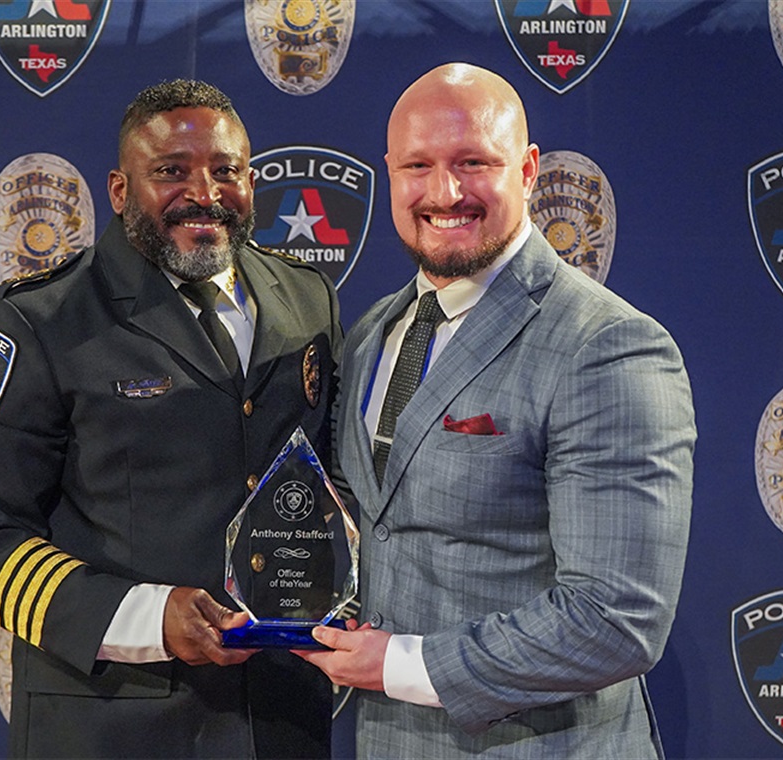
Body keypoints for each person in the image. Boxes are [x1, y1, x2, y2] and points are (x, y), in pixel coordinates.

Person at [0, 79, 340, 759]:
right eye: (171, 171)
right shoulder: (42, 320)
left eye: (226, 171)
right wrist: (149, 617)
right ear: (121, 192)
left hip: (279, 719)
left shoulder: (307, 297)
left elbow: (330, 484)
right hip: (112, 724)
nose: (204, 193)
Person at [297, 63, 696, 758]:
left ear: (529, 168)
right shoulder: (369, 335)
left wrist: (395, 664)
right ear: (389, 172)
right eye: (418, 165)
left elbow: (617, 619)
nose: (444, 192)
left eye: (473, 162)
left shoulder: (606, 346)